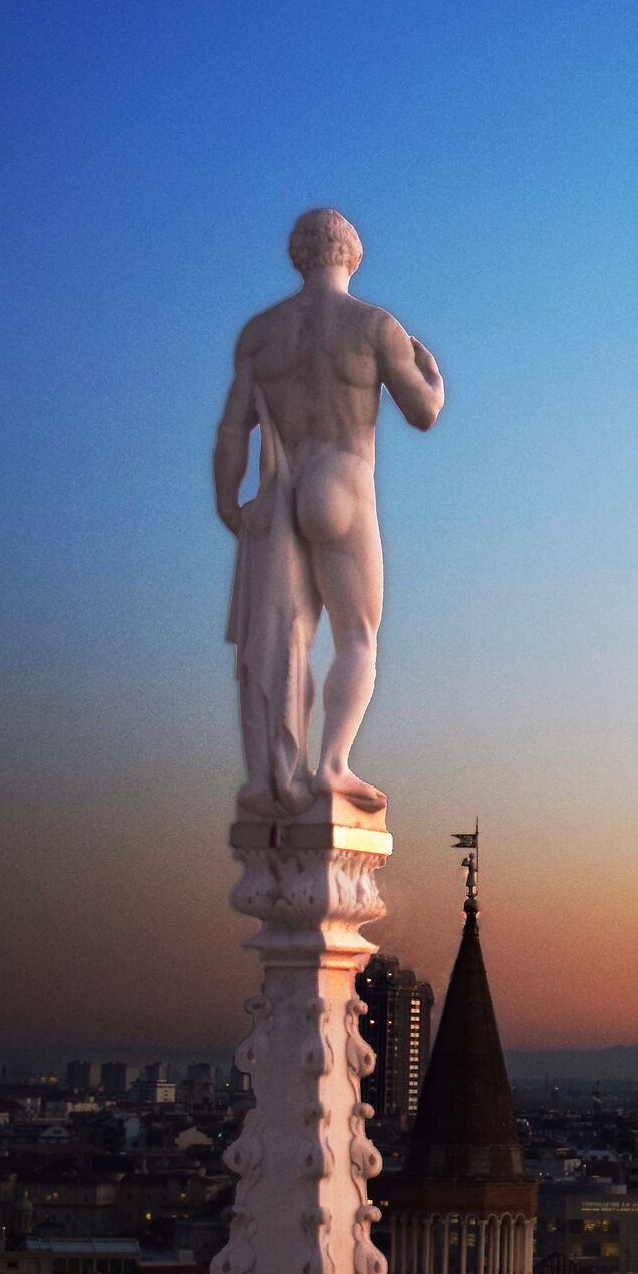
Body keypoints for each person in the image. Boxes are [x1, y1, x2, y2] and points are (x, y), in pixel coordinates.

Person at [213, 208, 444, 817]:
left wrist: (227, 504)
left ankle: (273, 772)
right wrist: (434, 380)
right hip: (341, 485)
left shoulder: (260, 334)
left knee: (282, 639)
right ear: (353, 254)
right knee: (358, 636)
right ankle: (333, 766)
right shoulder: (372, 326)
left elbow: (233, 432)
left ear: (299, 256)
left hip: (278, 491)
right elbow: (422, 413)